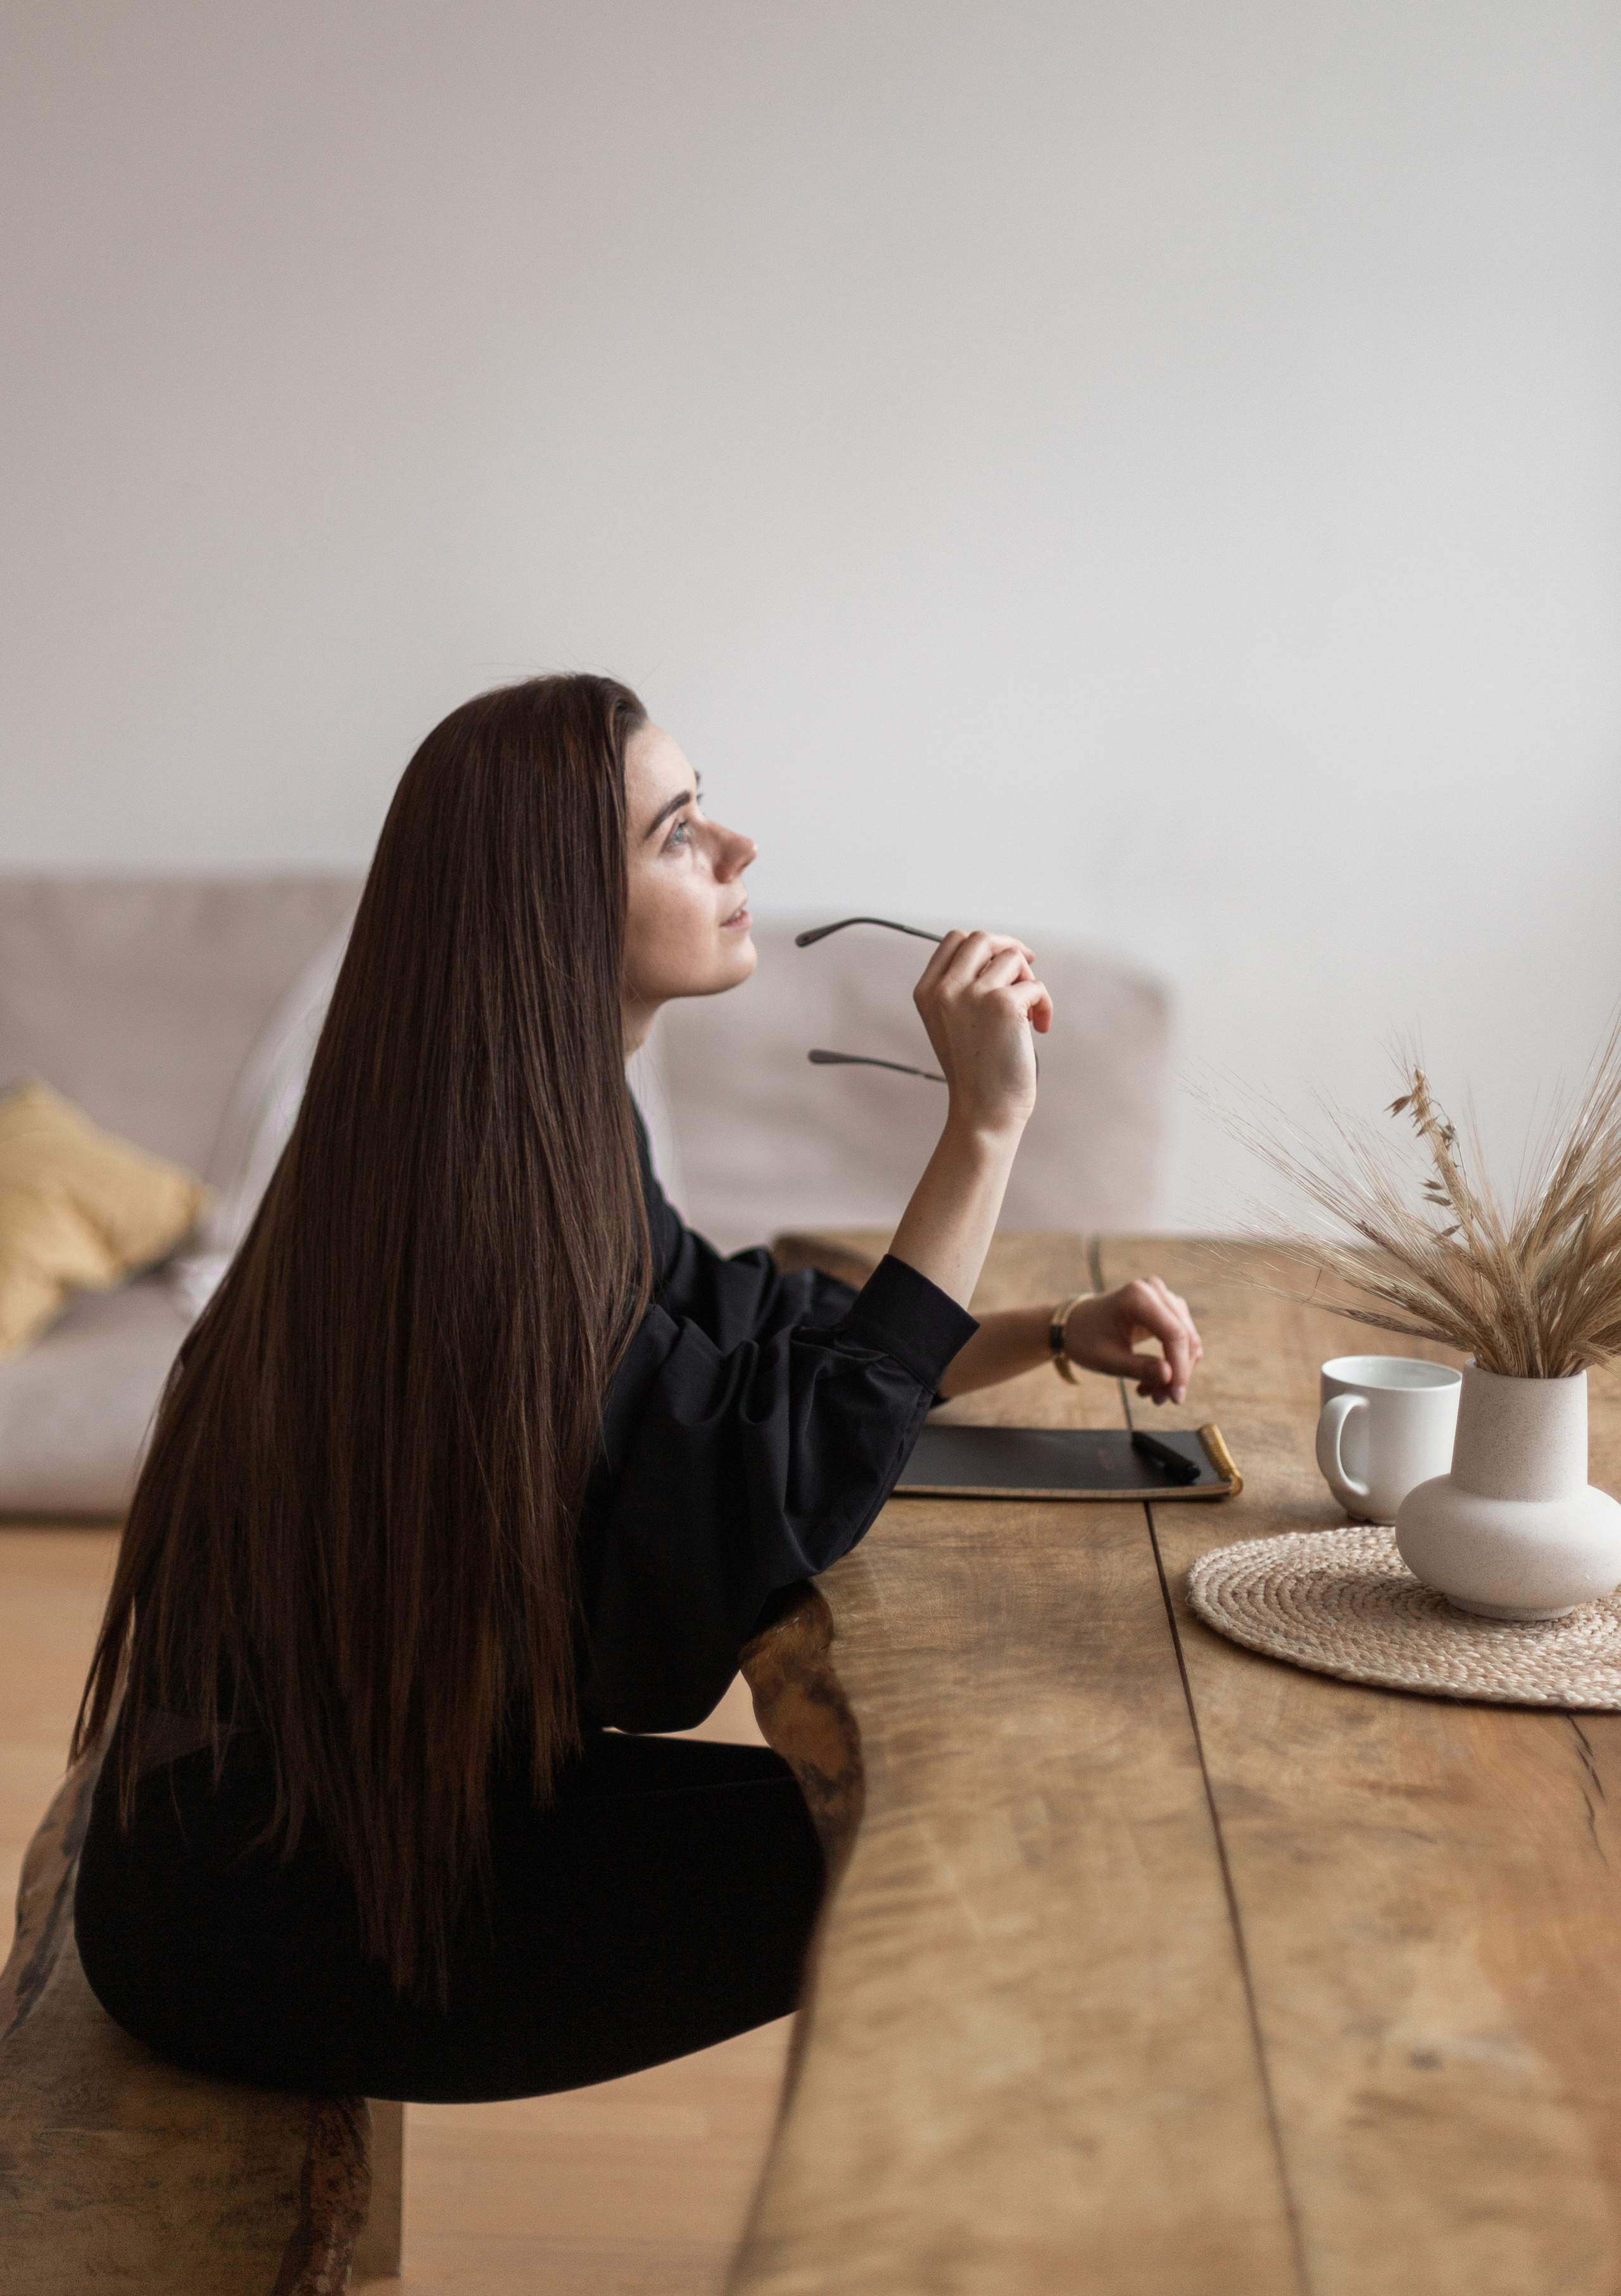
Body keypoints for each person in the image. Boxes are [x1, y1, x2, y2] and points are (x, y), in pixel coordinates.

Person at [72, 674, 1201, 2104]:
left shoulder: (528, 1128)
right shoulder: (467, 1203)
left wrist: (1043, 1328)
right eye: (678, 833)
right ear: (554, 905)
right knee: (966, 1853)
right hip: (287, 1917)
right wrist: (982, 1125)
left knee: (950, 1823)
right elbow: (770, 1475)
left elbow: (747, 1337)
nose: (735, 855)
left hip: (310, 1836)